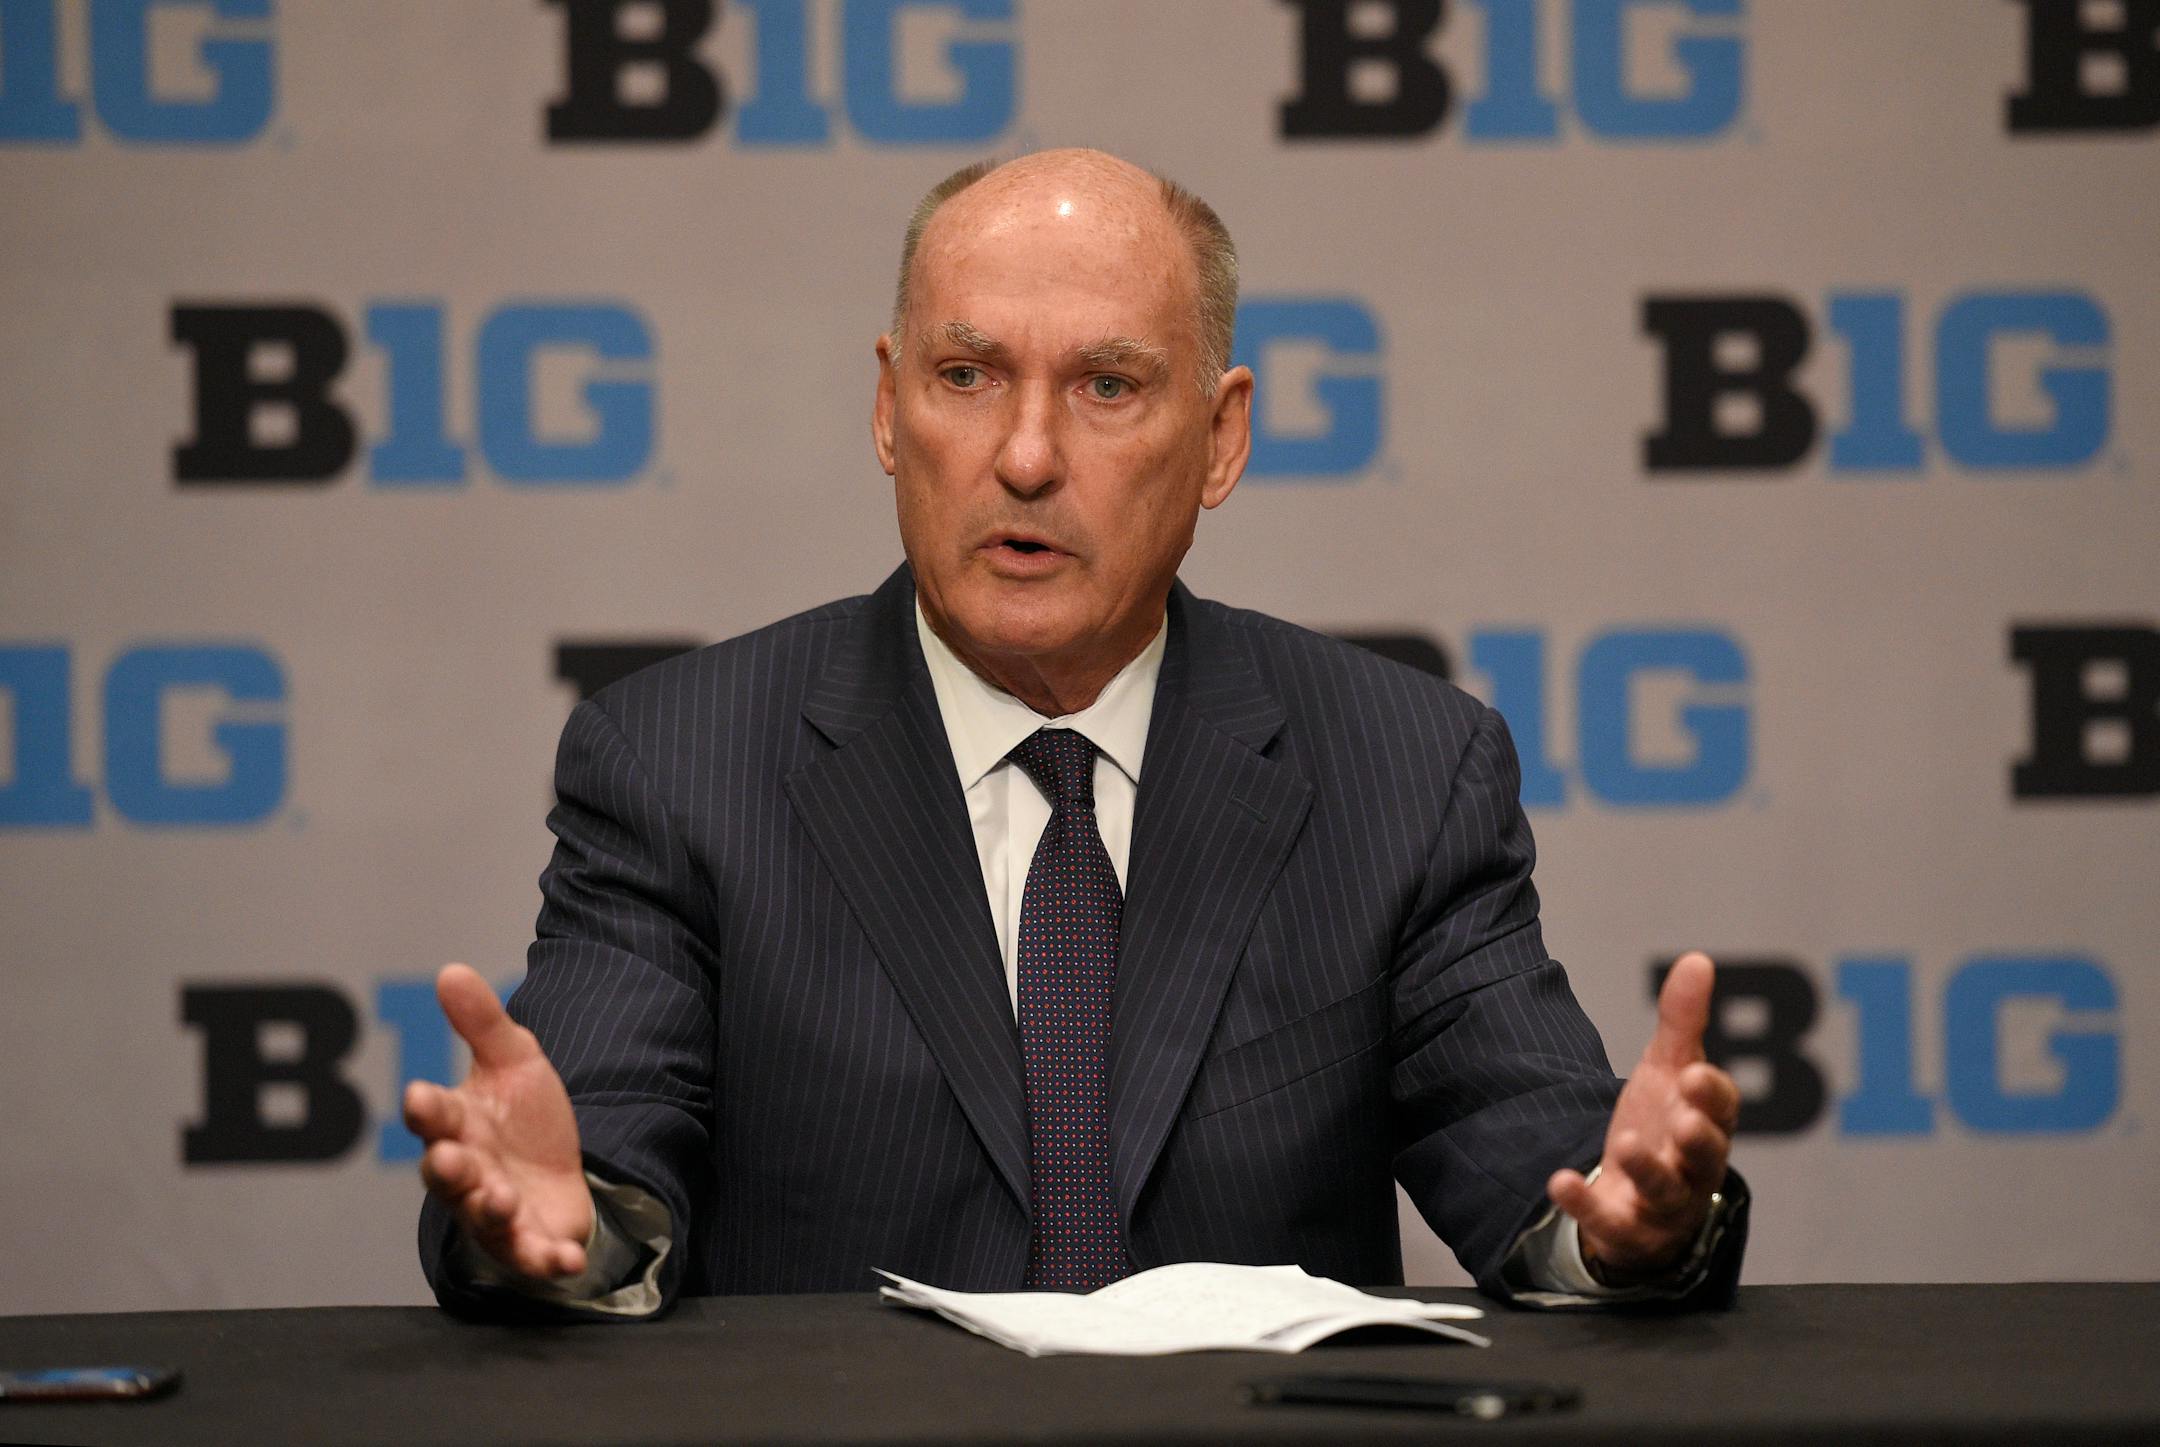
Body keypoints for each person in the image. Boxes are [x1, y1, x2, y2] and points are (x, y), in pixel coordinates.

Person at [408, 149, 1747, 1319]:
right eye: (968, 375)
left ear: (1220, 440)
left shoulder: (1401, 770)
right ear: (890, 410)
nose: (1028, 455)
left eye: (1107, 386)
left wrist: (1628, 1232)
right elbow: (588, 1174)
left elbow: (1551, 1175)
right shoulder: (677, 766)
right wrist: (566, 1232)